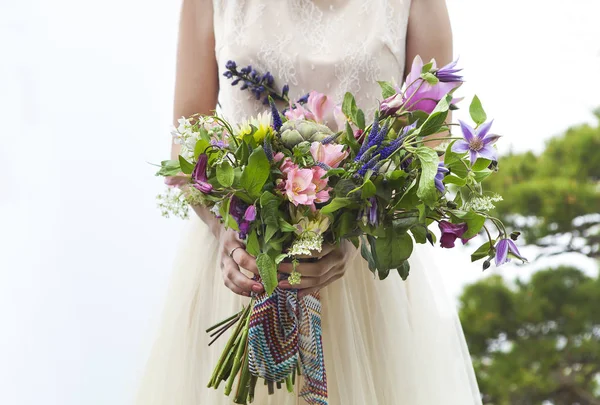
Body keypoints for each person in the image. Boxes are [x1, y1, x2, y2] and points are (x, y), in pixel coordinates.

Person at [136, 0, 482, 404]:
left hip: (366, 276)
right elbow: (186, 136)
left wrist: (357, 233)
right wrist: (225, 229)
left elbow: (431, 140)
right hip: (243, 266)